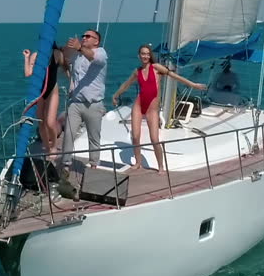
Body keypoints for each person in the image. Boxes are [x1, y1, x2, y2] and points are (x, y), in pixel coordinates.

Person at [112, 44, 206, 174]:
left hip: (152, 108)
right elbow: (126, 84)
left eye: (147, 54)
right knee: (135, 136)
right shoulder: (137, 71)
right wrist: (116, 95)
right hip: (139, 105)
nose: (145, 56)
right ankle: (138, 162)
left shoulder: (156, 68)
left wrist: (192, 84)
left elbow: (174, 76)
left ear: (150, 55)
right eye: (142, 54)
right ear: (139, 56)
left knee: (154, 139)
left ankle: (160, 166)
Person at [60, 29, 107, 176]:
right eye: (83, 36)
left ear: (96, 41)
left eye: (88, 36)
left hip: (93, 104)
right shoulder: (78, 57)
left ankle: (93, 165)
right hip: (76, 103)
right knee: (69, 133)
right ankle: (65, 165)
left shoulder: (101, 53)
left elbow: (94, 58)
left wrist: (80, 47)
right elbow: (73, 72)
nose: (84, 38)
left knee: (94, 137)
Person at [22, 43, 65, 153]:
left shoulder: (56, 54)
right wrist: (27, 58)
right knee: (41, 122)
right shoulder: (35, 55)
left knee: (50, 123)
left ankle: (54, 147)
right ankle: (46, 147)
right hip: (40, 92)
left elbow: (65, 65)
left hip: (52, 91)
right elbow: (28, 73)